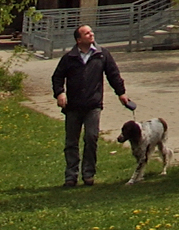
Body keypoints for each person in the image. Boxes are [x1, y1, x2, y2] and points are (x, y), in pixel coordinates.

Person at [51, 23, 133, 186]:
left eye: (91, 32)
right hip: (73, 106)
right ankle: (71, 175)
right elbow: (57, 77)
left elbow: (113, 75)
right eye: (86, 33)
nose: (91, 34)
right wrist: (60, 93)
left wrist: (121, 93)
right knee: (71, 142)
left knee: (91, 137)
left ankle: (88, 174)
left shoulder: (102, 55)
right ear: (78, 39)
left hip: (93, 105)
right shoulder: (69, 58)